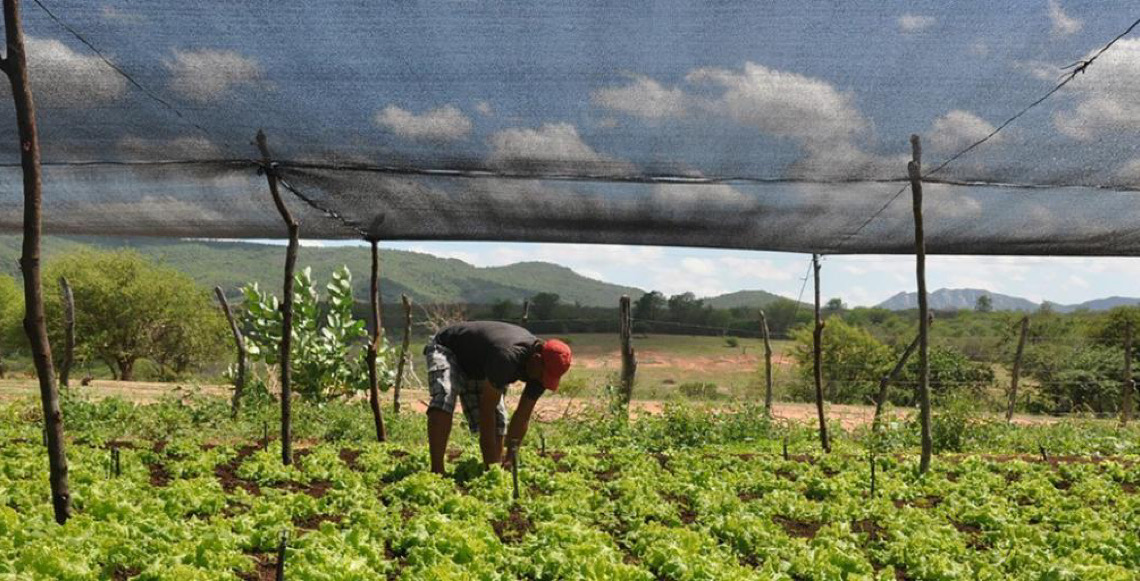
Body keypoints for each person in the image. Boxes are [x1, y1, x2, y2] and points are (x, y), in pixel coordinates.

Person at [423, 321, 572, 473]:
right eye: (543, 375)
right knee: (444, 397)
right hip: (448, 347)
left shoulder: (541, 373)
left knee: (499, 419)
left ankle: (496, 464)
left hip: (479, 365)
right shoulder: (507, 356)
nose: (542, 380)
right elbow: (486, 411)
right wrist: (491, 468)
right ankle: (437, 471)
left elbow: (523, 415)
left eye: (548, 378)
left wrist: (511, 457)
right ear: (537, 357)